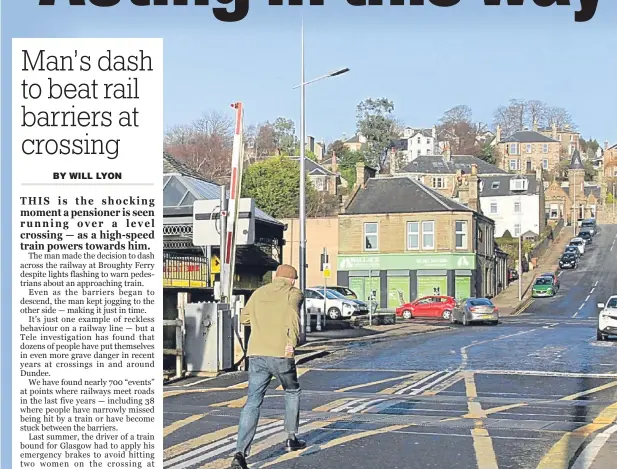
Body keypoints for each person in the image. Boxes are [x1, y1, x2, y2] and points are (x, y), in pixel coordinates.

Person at [230, 264, 306, 469]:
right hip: (281, 353)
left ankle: (240, 452)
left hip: (256, 354)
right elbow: (292, 315)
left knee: (253, 401)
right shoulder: (293, 293)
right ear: (291, 280)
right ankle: (291, 437)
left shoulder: (259, 292)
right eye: (294, 280)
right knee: (292, 391)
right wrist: (293, 342)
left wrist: (261, 320)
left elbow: (245, 317)